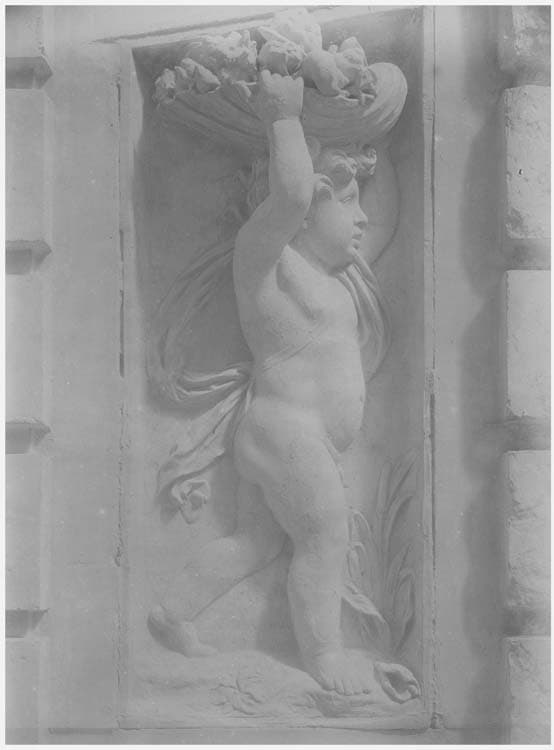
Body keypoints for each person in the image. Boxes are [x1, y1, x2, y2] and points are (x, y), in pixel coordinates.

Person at [149, 70, 396, 696]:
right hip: (287, 435)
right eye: (349, 202)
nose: (363, 218)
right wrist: (283, 118)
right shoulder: (266, 260)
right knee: (324, 534)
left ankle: (172, 612)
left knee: (254, 543)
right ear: (308, 209)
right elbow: (287, 197)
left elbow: (381, 222)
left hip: (295, 439)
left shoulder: (333, 277)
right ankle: (325, 655)